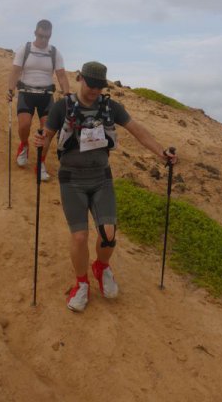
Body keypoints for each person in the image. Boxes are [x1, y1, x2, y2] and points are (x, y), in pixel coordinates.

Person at [34, 61, 177, 312]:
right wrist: (40, 149)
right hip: (71, 180)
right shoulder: (62, 107)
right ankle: (81, 284)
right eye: (91, 84)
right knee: (79, 236)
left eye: (99, 86)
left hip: (101, 177)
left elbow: (137, 130)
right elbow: (46, 136)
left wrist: (161, 153)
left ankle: (101, 267)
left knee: (108, 235)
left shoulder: (110, 107)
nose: (95, 90)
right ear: (80, 78)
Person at [7, 19, 70, 181]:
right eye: (41, 36)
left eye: (47, 37)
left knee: (47, 131)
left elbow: (62, 76)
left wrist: (67, 95)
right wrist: (10, 90)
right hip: (26, 93)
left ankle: (40, 163)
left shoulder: (54, 53)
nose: (43, 40)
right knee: (24, 125)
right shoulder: (25, 49)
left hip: (46, 95)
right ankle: (24, 145)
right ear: (35, 33)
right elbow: (15, 71)